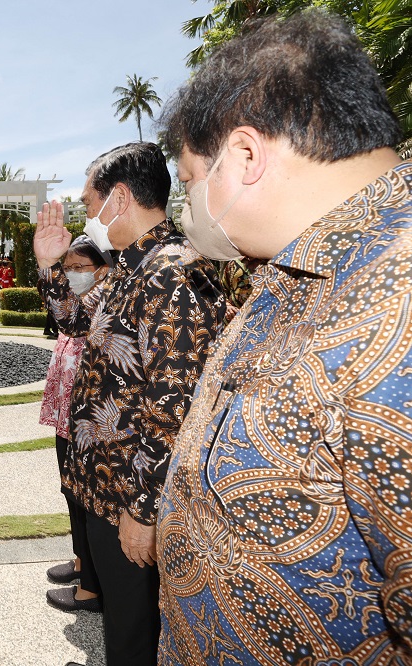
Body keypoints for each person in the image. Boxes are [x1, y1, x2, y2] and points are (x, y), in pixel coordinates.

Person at [156, 11, 412, 664]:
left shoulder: (396, 301)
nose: (193, 204)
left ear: (244, 157)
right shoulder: (294, 269)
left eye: (192, 179)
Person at [34, 142, 226, 666]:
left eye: (89, 199)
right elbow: (74, 320)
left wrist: (142, 511)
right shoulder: (129, 267)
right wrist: (50, 265)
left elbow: (175, 407)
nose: (85, 212)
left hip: (131, 497)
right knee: (123, 625)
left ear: (118, 198)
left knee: (136, 633)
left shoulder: (170, 273)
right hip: (107, 486)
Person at [41, 235, 111, 614]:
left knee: (85, 498)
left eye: (79, 268)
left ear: (102, 269)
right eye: (67, 268)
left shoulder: (103, 301)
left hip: (85, 419)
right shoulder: (77, 301)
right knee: (71, 494)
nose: (72, 275)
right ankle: (82, 561)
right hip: (67, 416)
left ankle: (90, 588)